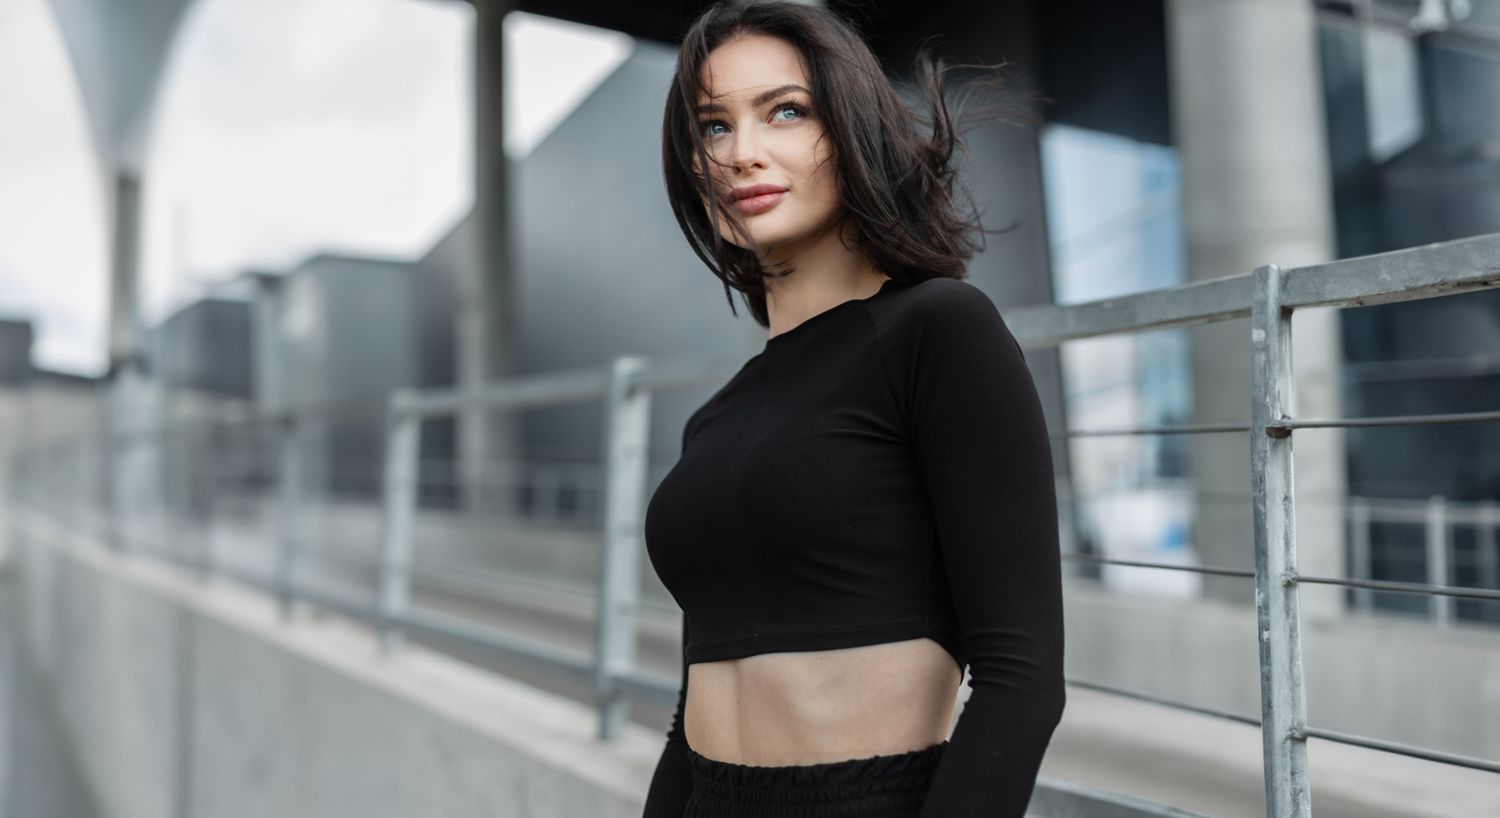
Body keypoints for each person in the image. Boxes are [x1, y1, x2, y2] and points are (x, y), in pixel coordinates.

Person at [642, 2, 1066, 816]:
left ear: (851, 125)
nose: (742, 154)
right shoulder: (720, 416)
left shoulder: (938, 331)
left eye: (786, 112)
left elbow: (1022, 682)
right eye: (713, 127)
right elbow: (691, 706)